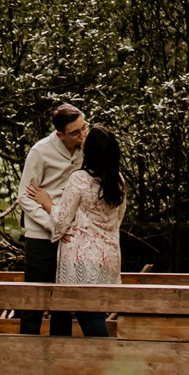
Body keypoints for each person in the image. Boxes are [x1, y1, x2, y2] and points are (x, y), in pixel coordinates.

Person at [28, 124, 126, 339]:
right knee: (94, 312)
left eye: (85, 137)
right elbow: (117, 219)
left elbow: (62, 222)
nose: (82, 137)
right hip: (108, 255)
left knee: (89, 315)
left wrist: (47, 203)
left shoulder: (79, 179)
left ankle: (104, 361)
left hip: (83, 259)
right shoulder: (118, 181)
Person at [17, 103, 86, 335]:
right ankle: (26, 347)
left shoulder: (86, 148)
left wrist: (67, 226)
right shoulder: (41, 151)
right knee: (34, 298)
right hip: (40, 234)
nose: (82, 134)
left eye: (83, 128)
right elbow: (24, 197)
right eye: (75, 132)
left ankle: (61, 348)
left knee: (63, 299)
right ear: (60, 134)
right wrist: (53, 223)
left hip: (71, 235)